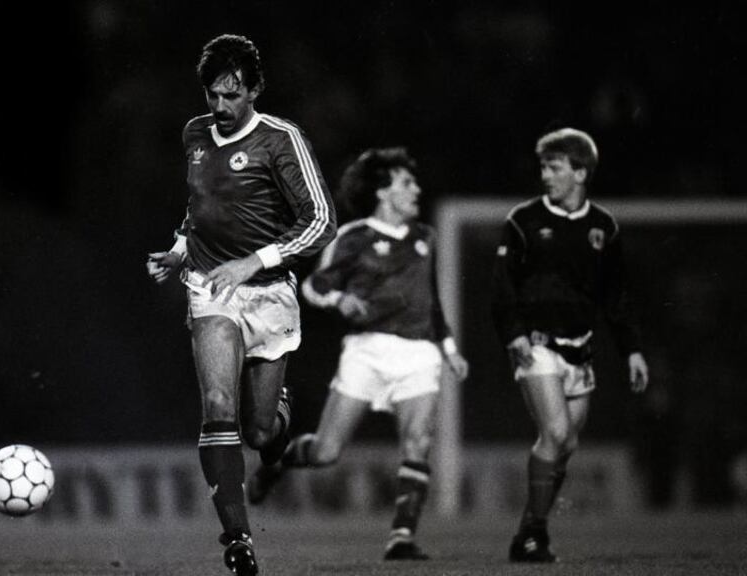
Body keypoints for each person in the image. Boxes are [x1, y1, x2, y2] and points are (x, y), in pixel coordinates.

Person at [146, 34, 335, 576]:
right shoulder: (195, 134)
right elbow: (199, 204)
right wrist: (181, 251)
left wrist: (255, 261)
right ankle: (238, 540)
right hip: (211, 287)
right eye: (213, 95)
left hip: (270, 291)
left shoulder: (282, 139)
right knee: (219, 406)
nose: (221, 107)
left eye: (232, 95)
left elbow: (321, 221)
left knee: (257, 431)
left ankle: (276, 425)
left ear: (254, 89)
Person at [244, 147, 469, 561]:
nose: (416, 189)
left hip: (420, 351)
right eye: (406, 182)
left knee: (418, 441)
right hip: (367, 351)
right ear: (383, 192)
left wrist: (449, 348)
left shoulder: (426, 238)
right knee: (327, 452)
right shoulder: (355, 237)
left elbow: (432, 301)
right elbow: (314, 287)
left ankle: (401, 538)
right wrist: (340, 299)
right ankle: (276, 464)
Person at [490, 127, 649, 563]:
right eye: (543, 166)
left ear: (580, 172)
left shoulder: (603, 227)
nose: (545, 175)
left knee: (567, 445)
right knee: (555, 433)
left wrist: (631, 348)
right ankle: (532, 535)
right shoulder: (523, 221)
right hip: (536, 345)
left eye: (554, 167)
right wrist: (514, 334)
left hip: (581, 348)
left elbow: (617, 295)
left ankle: (528, 532)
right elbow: (502, 289)